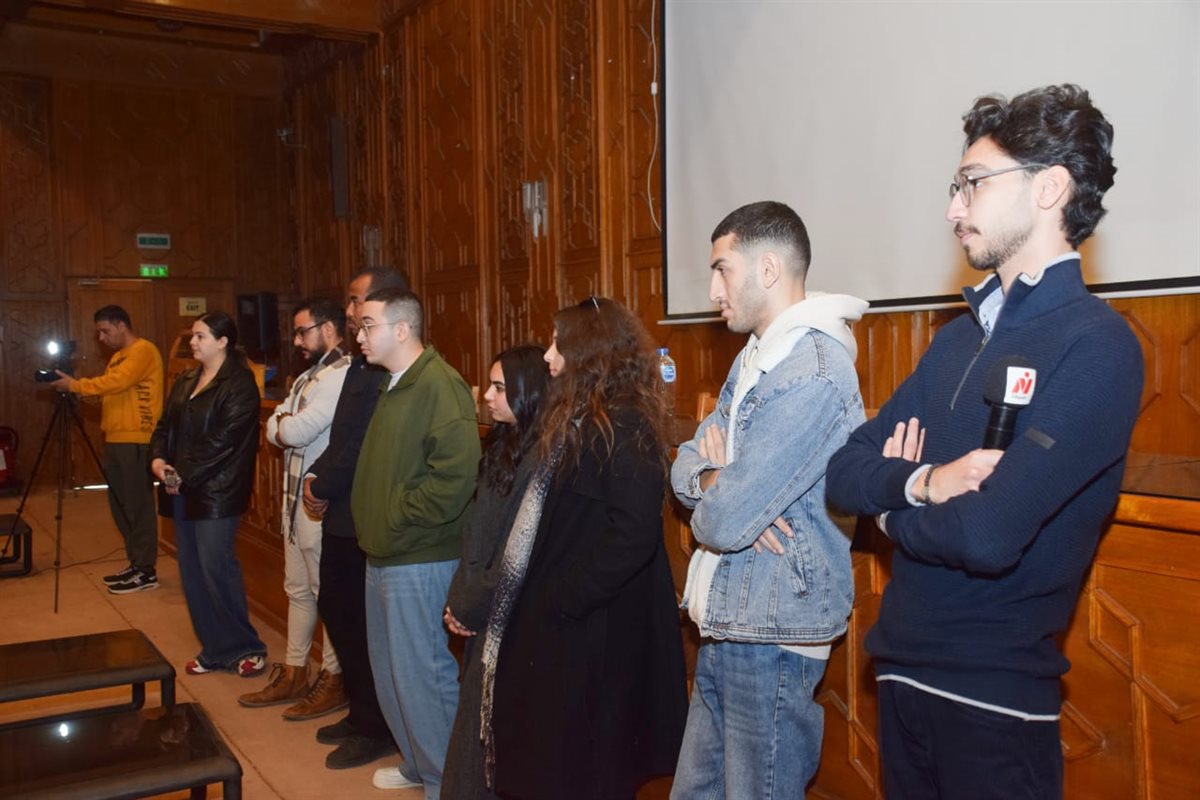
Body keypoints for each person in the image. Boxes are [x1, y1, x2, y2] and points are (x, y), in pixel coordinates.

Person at [825, 84, 1144, 800]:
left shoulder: (1097, 346)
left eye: (973, 183)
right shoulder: (955, 341)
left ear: (1049, 188)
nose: (953, 209)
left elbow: (989, 534)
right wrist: (925, 483)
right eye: (955, 187)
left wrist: (889, 515)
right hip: (901, 676)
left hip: (994, 701)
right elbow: (843, 471)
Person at [669, 202, 867, 798]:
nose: (712, 290)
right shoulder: (757, 356)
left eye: (722, 270)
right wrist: (716, 477)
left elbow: (724, 521)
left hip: (773, 632)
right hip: (731, 620)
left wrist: (725, 490)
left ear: (769, 268)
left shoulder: (813, 370)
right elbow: (684, 464)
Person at [484, 297, 688, 800]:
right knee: (555, 759)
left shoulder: (626, 424)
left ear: (592, 352)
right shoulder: (579, 417)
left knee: (588, 765)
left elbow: (633, 534)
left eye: (559, 344)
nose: (548, 356)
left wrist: (564, 597)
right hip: (569, 621)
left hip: (596, 627)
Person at [350, 287, 481, 796]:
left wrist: (395, 515)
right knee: (391, 671)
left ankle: (448, 782)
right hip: (385, 551)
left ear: (402, 329)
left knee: (422, 673)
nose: (359, 336)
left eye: (368, 325)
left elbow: (455, 478)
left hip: (419, 554)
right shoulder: (395, 382)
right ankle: (420, 762)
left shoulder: (438, 385)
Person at [303, 267, 409, 770]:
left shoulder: (390, 370)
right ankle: (360, 711)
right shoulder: (362, 364)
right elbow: (342, 437)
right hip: (340, 513)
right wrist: (316, 477)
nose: (349, 313)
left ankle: (376, 727)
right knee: (337, 611)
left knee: (364, 627)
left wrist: (321, 484)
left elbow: (364, 444)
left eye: (356, 301)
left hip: (363, 515)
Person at [441, 344, 550, 800]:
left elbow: (514, 553)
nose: (486, 396)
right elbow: (476, 534)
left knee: (487, 744)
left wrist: (470, 604)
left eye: (499, 387)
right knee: (471, 740)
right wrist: (459, 598)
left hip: (505, 618)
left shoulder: (541, 459)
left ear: (529, 393)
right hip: (480, 606)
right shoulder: (505, 444)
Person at [239, 298, 351, 720]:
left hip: (320, 504)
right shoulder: (309, 375)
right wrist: (284, 423)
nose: (297, 341)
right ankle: (294, 672)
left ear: (328, 329)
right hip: (294, 504)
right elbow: (277, 426)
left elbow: (296, 429)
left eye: (303, 331)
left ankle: (334, 678)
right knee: (298, 591)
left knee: (327, 596)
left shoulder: (341, 376)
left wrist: (285, 423)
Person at [149, 310, 267, 677]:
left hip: (217, 491)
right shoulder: (186, 379)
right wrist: (157, 459)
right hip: (180, 485)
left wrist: (179, 472)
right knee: (192, 569)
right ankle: (214, 648)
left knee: (216, 567)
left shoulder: (240, 384)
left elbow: (223, 442)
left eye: (200, 336)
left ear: (223, 341)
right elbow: (164, 426)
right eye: (193, 336)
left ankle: (246, 646)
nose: (193, 342)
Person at [50, 305, 164, 594]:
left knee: (137, 505)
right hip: (115, 437)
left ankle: (146, 570)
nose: (101, 337)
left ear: (121, 325)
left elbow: (117, 382)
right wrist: (85, 394)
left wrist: (76, 385)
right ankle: (136, 562)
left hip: (137, 438)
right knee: (120, 504)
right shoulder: (117, 357)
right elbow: (112, 393)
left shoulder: (143, 350)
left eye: (105, 331)